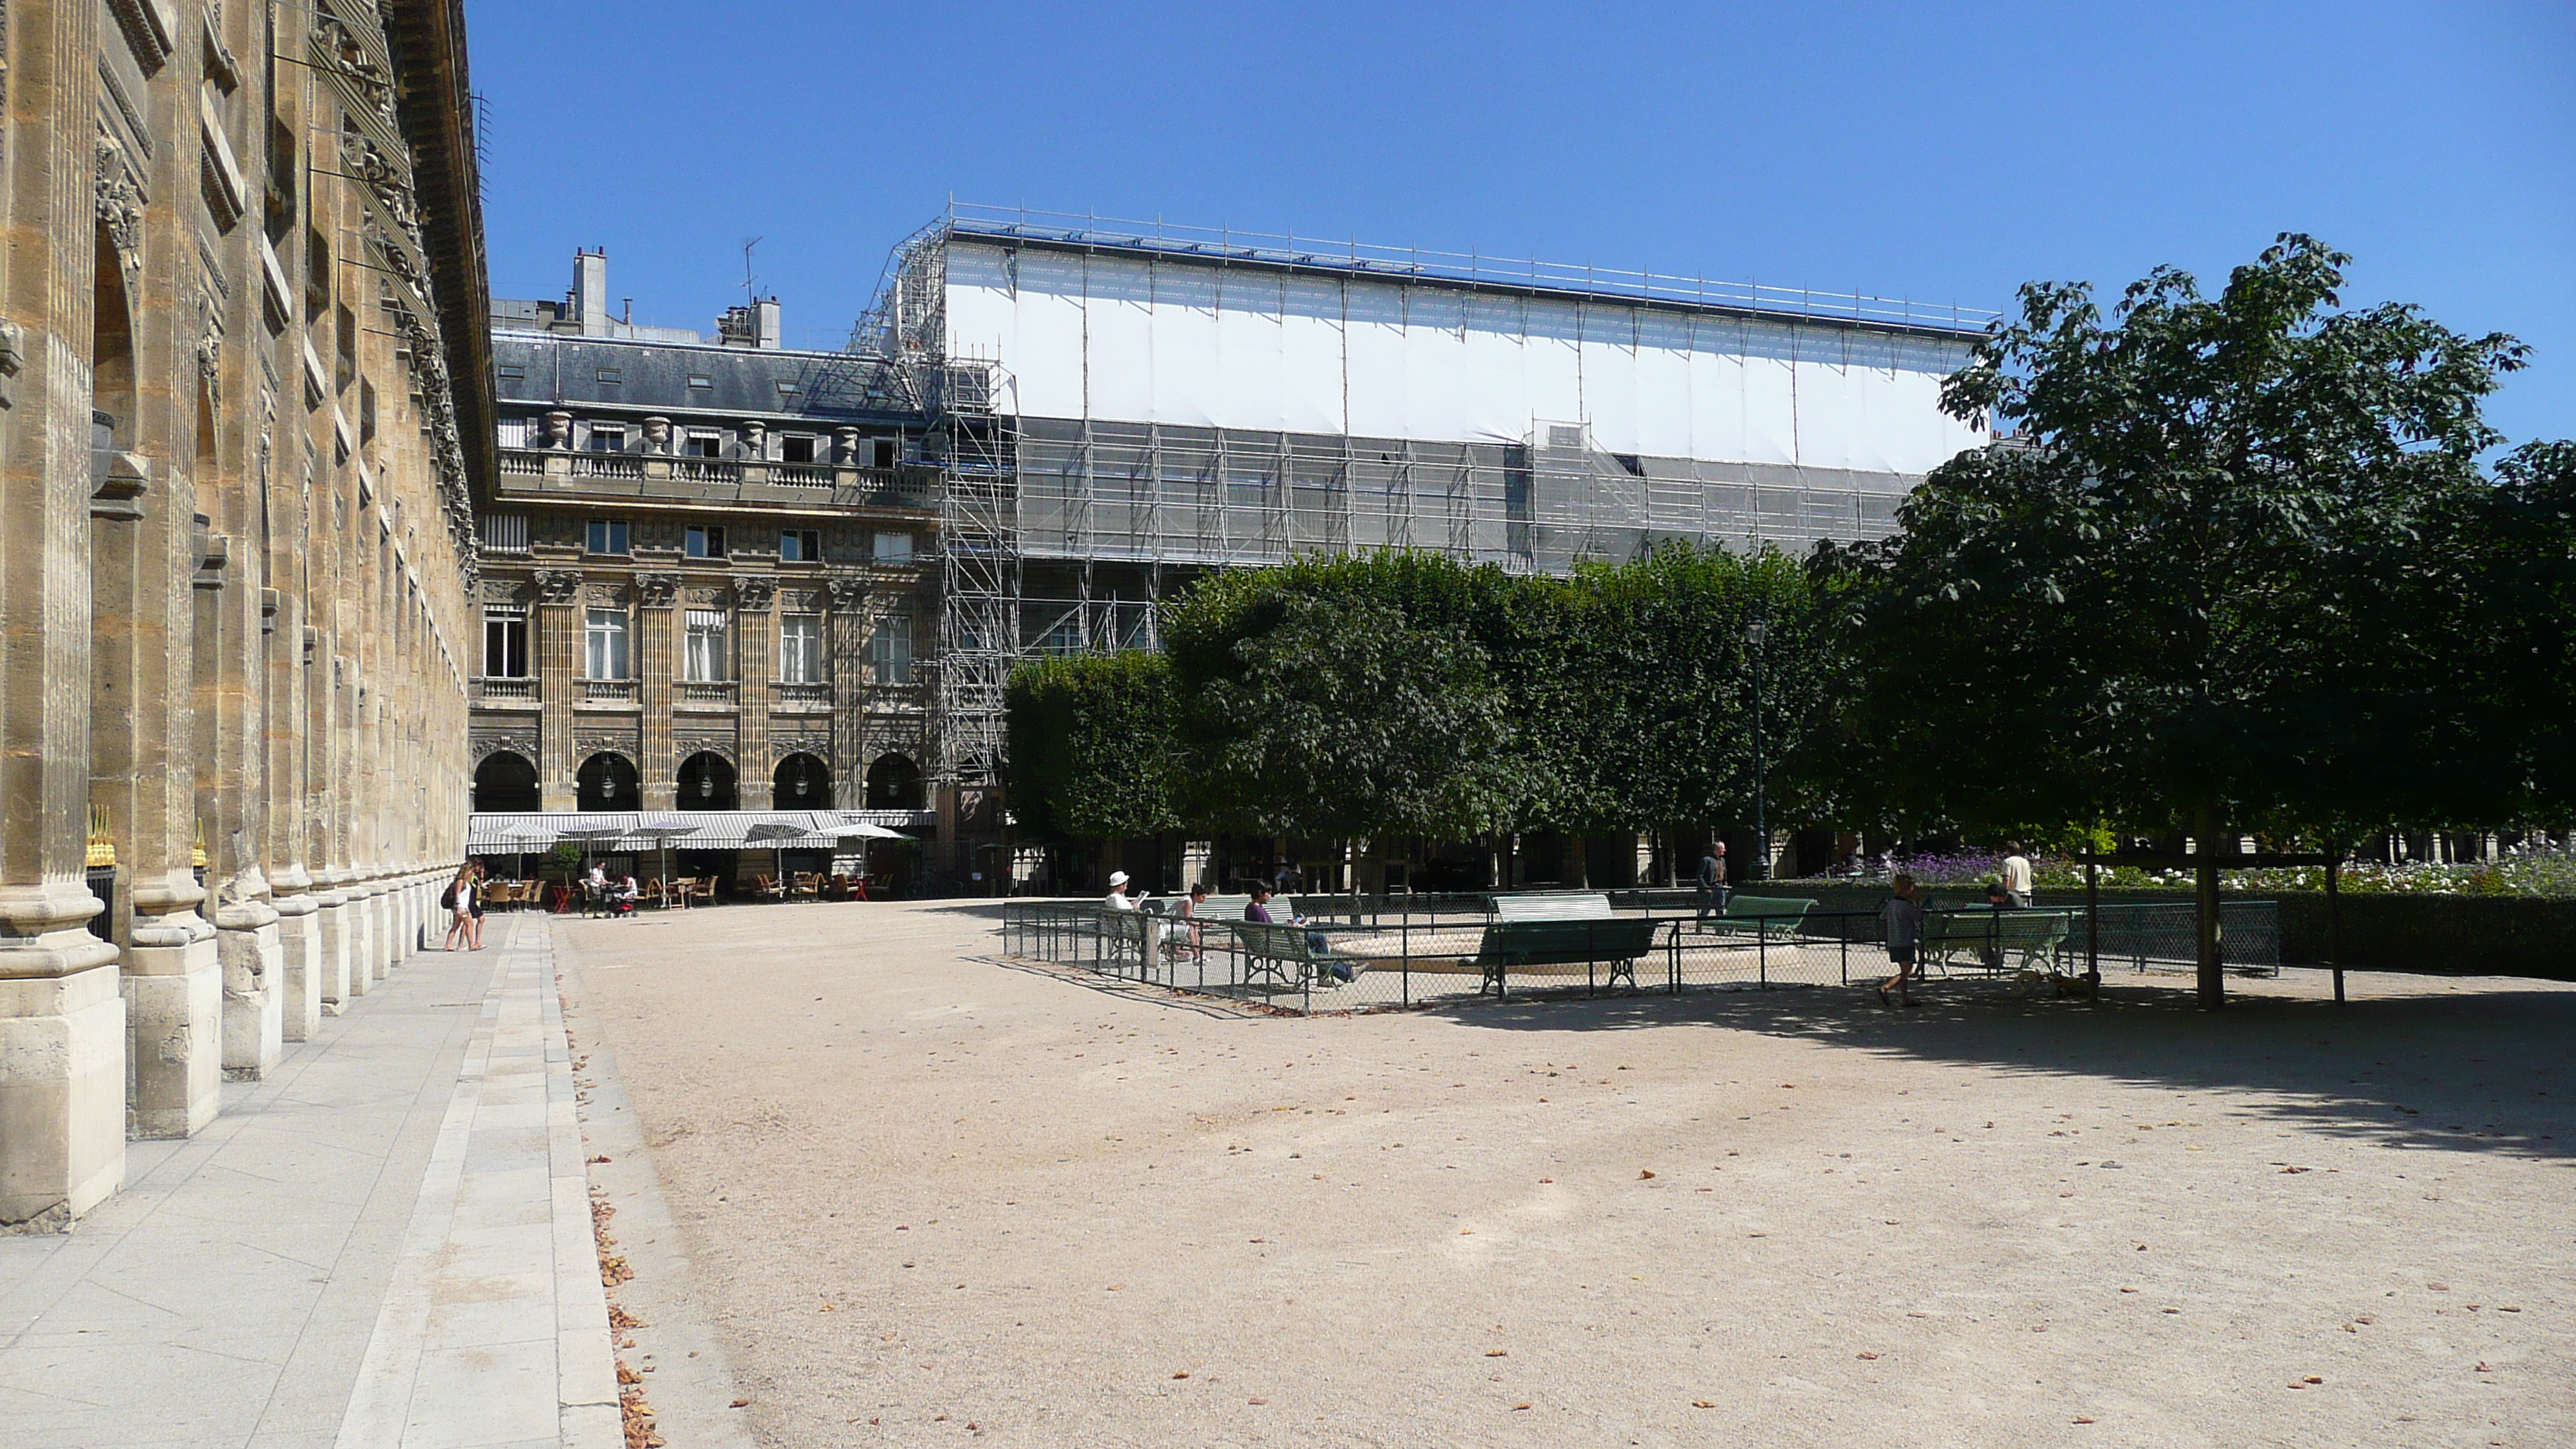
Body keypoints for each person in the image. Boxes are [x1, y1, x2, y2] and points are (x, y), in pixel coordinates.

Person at [1875, 873, 1926, 1008]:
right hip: (1905, 941)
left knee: (1904, 970)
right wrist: (1918, 903)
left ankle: (1905, 998)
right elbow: (1918, 916)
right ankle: (1886, 987)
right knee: (1908, 971)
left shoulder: (1892, 903)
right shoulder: (1906, 905)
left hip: (1893, 941)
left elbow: (1882, 917)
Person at [443, 865, 476, 952]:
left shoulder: (466, 882)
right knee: (470, 924)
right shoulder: (460, 881)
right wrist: (458, 906)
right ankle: (471, 945)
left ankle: (448, 945)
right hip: (461, 907)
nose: (471, 874)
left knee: (456, 926)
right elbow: (457, 894)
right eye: (470, 871)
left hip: (462, 906)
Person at [1696, 842, 1729, 924]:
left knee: (1720, 908)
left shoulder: (1722, 860)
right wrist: (1706, 887)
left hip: (1720, 887)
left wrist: (1725, 885)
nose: (1724, 851)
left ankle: (1720, 929)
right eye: (1723, 849)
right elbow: (1700, 876)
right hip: (1711, 887)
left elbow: (1724, 874)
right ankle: (1699, 927)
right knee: (1706, 908)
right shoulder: (1706, 860)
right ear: (1717, 849)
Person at [1999, 843, 2034, 908]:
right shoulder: (2025, 861)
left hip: (2013, 895)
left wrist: (2003, 894)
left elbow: (2007, 879)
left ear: (2008, 851)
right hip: (2027, 893)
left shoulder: (2008, 862)